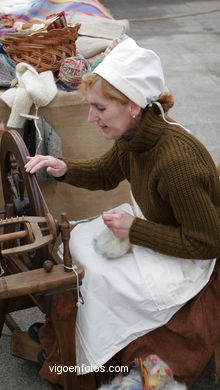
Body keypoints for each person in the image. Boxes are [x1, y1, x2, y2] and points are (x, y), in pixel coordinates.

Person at [25, 38, 220, 388]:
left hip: (193, 256)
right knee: (82, 245)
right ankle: (71, 345)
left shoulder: (177, 162)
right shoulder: (136, 137)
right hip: (159, 229)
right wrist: (62, 166)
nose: (90, 117)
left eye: (99, 108)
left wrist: (134, 229)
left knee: (98, 275)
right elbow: (105, 172)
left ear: (131, 105)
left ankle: (86, 359)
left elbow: (206, 242)